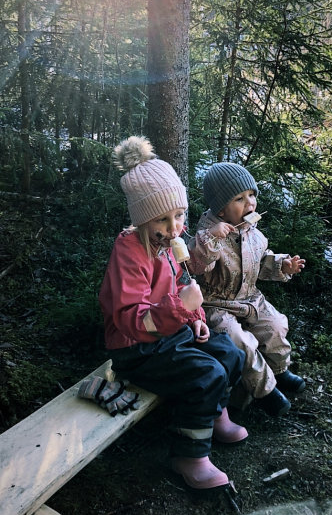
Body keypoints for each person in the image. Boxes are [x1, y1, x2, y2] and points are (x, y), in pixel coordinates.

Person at [99, 137, 247, 491]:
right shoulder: (130, 253)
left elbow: (180, 283)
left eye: (179, 215)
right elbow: (131, 319)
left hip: (168, 333)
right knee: (206, 373)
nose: (174, 227)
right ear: (142, 221)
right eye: (162, 220)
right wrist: (183, 308)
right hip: (136, 348)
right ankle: (189, 455)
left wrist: (195, 319)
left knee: (229, 352)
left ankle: (216, 415)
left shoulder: (166, 246)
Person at [187, 161, 306, 417]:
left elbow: (260, 263)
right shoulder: (207, 235)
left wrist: (282, 265)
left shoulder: (252, 232)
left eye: (251, 195)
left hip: (250, 298)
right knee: (240, 342)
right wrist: (212, 238)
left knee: (274, 325)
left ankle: (279, 371)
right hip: (216, 303)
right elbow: (197, 266)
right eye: (239, 199)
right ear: (220, 210)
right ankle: (265, 391)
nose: (250, 203)